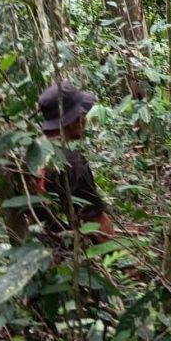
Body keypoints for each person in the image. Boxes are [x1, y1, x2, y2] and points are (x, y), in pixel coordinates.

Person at [35, 81, 114, 237]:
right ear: (76, 119)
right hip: (66, 251)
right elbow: (99, 224)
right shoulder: (73, 163)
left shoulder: (30, 150)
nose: (84, 118)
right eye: (83, 113)